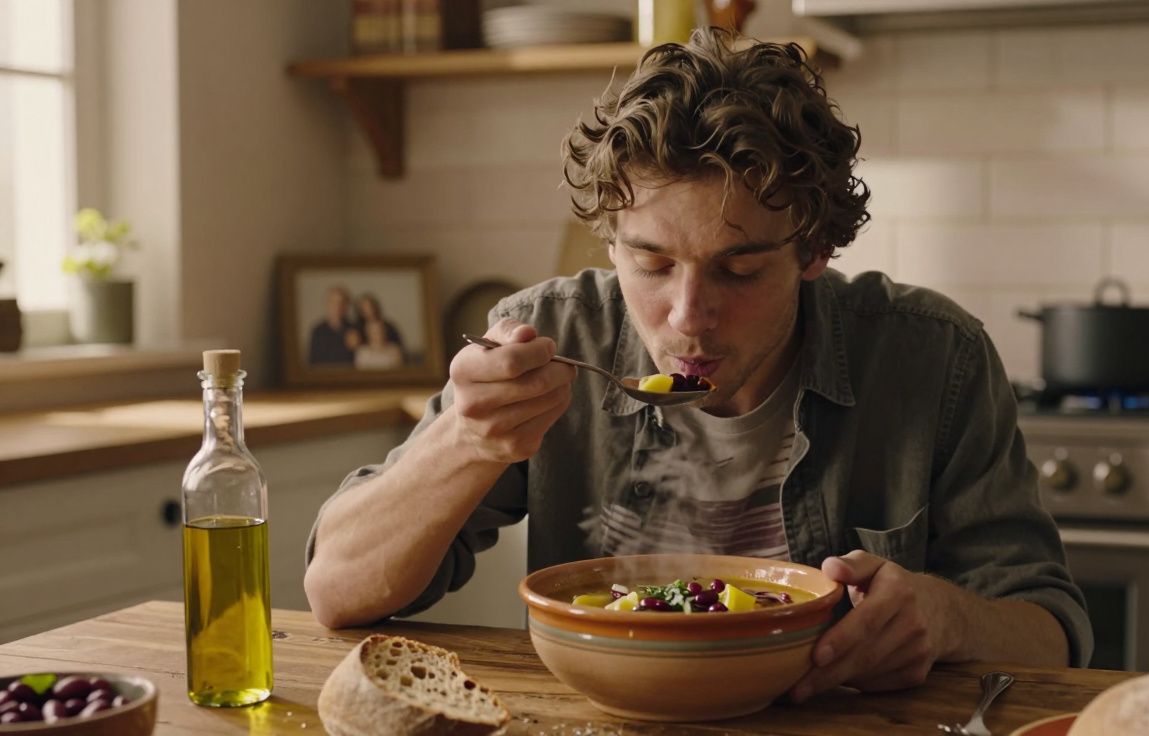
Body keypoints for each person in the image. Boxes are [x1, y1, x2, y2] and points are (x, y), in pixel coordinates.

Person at [304, 28, 1093, 700]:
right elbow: (335, 591)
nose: (687, 318)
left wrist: (946, 617)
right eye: (649, 264)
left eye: (739, 271)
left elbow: (1052, 632)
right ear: (610, 242)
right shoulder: (549, 334)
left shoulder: (933, 357)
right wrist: (465, 445)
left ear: (814, 248)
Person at [307, 285, 360, 365]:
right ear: (327, 304)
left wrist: (357, 347)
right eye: (333, 302)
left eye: (341, 302)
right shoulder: (317, 330)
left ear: (347, 306)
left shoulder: (355, 329)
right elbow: (312, 362)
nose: (337, 306)